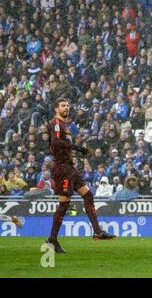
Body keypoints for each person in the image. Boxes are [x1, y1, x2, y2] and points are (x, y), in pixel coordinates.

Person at [46, 98, 115, 253]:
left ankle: (97, 231)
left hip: (70, 168)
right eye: (63, 105)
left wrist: (74, 150)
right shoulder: (56, 124)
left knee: (88, 195)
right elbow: (56, 143)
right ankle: (52, 239)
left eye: (68, 105)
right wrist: (75, 147)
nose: (66, 108)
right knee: (64, 203)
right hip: (62, 169)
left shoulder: (64, 125)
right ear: (56, 108)